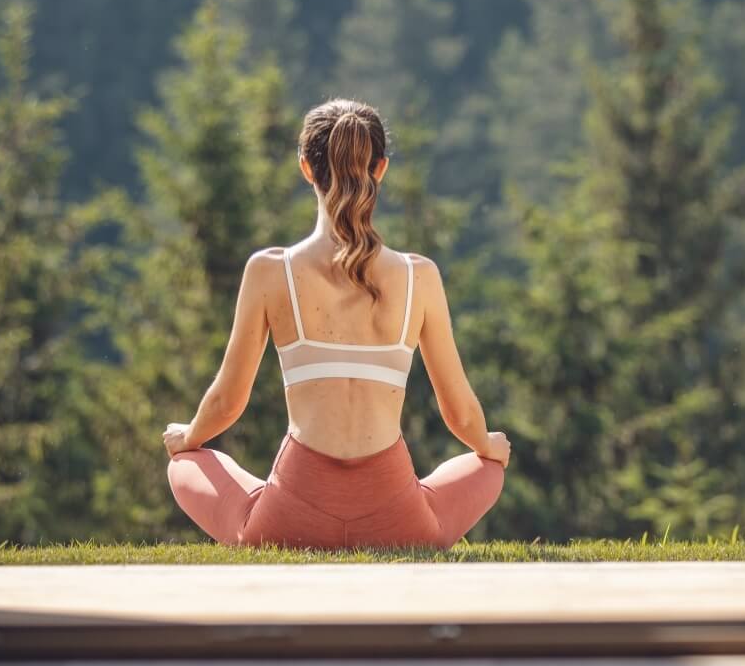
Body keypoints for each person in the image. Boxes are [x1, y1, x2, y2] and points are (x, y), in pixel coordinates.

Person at [162, 98, 511, 548]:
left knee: (186, 462)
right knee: (487, 467)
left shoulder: (269, 271)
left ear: (306, 168)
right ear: (381, 169)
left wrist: (188, 436)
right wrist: (488, 446)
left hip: (288, 522)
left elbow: (227, 402)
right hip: (398, 522)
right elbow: (460, 413)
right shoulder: (419, 276)